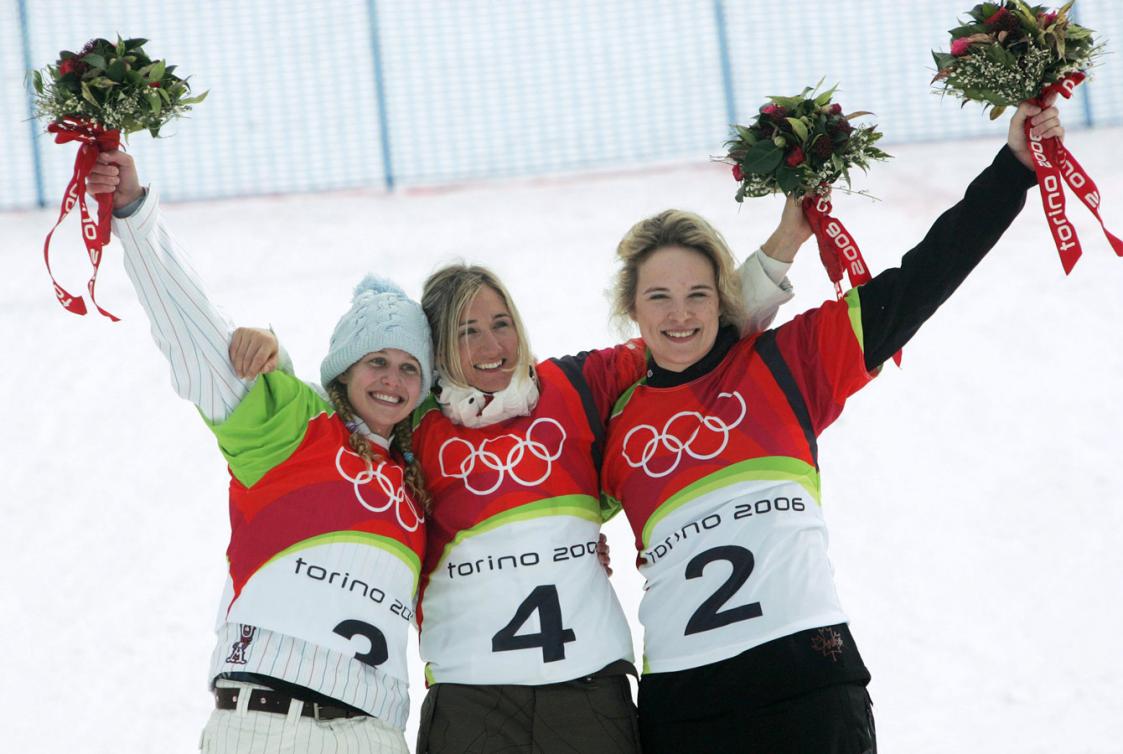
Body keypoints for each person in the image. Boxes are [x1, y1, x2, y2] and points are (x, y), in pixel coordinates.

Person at [597, 97, 1063, 753]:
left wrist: (1013, 168)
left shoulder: (789, 363)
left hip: (808, 682)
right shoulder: (613, 422)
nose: (680, 315)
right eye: (659, 297)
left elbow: (924, 276)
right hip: (685, 704)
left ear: (722, 299)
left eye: (698, 294)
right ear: (630, 309)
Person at [241, 211, 802, 750]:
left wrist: (781, 248)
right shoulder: (415, 422)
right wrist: (276, 358)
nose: (493, 347)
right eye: (468, 331)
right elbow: (337, 415)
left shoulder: (576, 385)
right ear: (437, 351)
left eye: (501, 324)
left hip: (588, 695)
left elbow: (686, 337)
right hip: (471, 700)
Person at [86, 151, 435, 753]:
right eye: (377, 361)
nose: (392, 381)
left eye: (409, 369)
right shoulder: (292, 425)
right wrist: (135, 216)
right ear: (344, 370)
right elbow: (193, 339)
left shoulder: (423, 472)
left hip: (373, 736)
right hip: (265, 722)